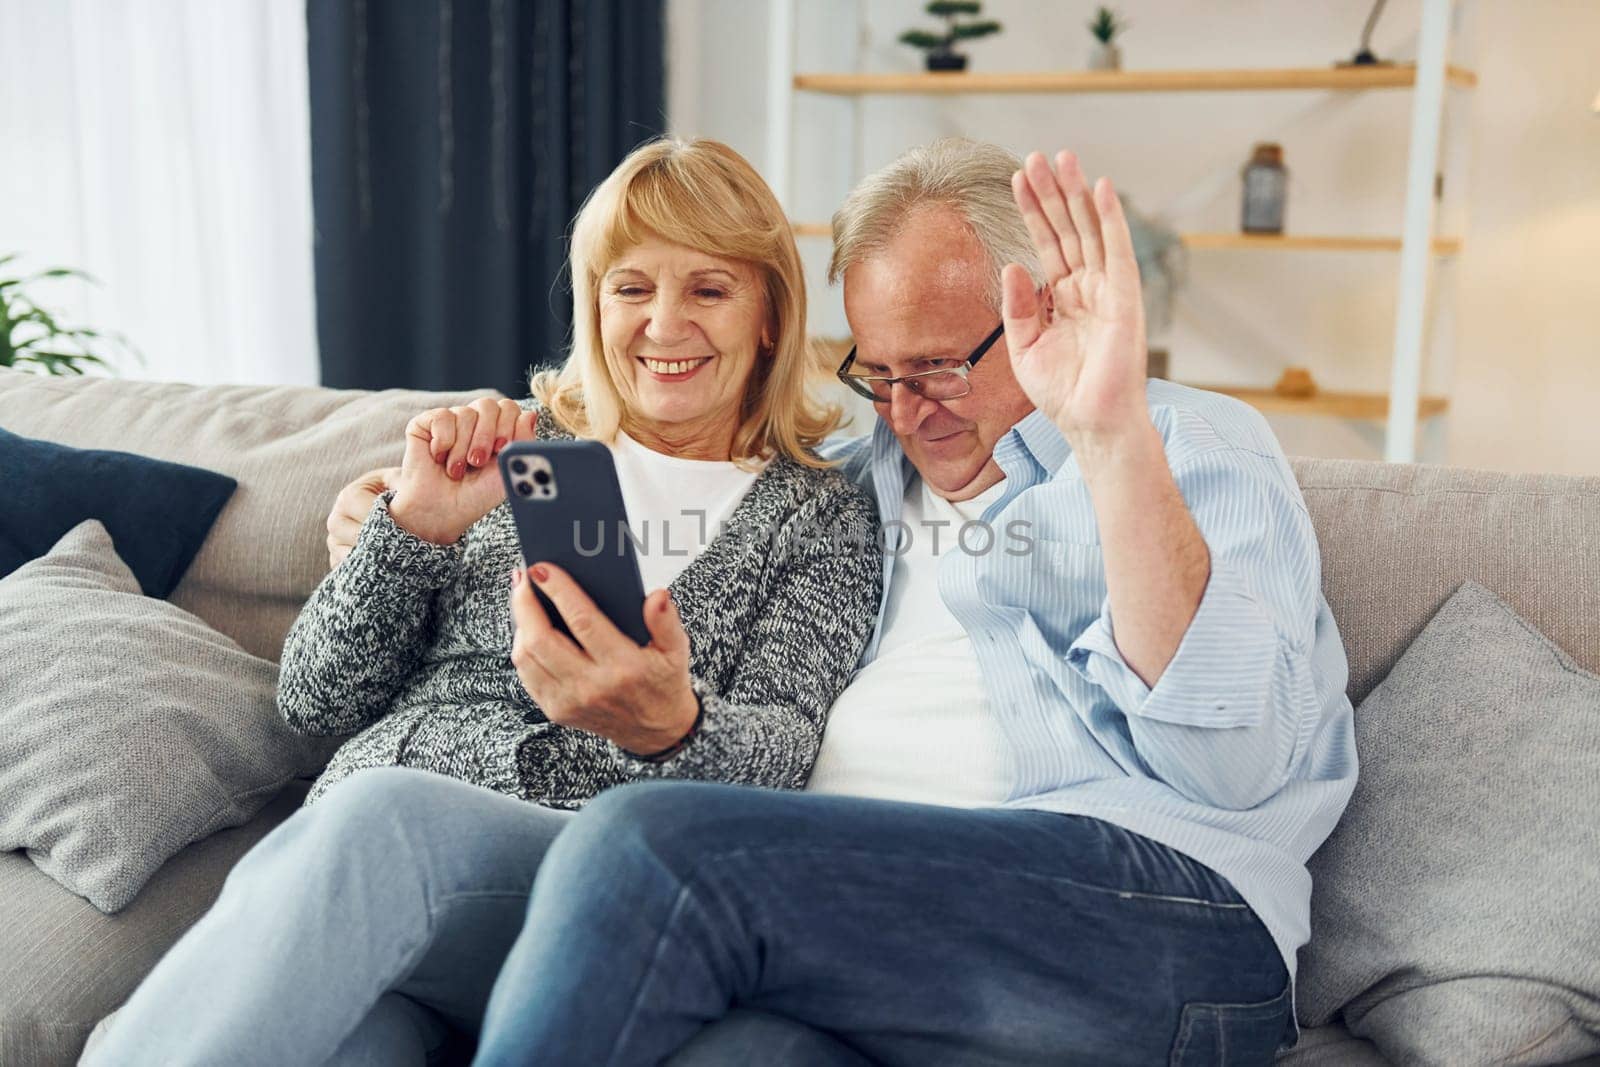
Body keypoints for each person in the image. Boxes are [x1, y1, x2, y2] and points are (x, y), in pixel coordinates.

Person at [461, 139, 1358, 1066]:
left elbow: (1237, 765)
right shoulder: (853, 486)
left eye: (937, 368)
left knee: (650, 846)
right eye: (878, 374)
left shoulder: (1188, 441)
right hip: (869, 927)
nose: (906, 411)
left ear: (1037, 311)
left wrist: (1110, 437)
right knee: (740, 1052)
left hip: (1160, 922)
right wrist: (407, 529)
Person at [83, 137, 882, 1066]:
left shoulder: (816, 515)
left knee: (388, 819)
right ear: (594, 305)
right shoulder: (502, 446)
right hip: (366, 897)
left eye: (709, 289)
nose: (665, 324)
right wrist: (412, 532)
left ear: (771, 316)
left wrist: (671, 725)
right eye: (632, 288)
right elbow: (312, 702)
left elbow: (785, 748)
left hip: (569, 880)